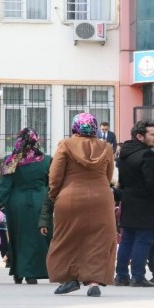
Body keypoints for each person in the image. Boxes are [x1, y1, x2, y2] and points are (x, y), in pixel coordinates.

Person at [45, 113, 117, 298]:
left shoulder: (66, 145)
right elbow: (109, 175)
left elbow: (55, 175)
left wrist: (54, 194)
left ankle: (69, 279)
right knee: (99, 240)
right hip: (101, 197)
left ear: (74, 127)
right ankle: (94, 282)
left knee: (67, 238)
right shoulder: (106, 147)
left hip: (70, 197)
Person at [114, 120, 154, 288]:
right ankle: (138, 276)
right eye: (152, 134)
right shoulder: (147, 155)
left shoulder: (124, 154)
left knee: (127, 239)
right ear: (139, 136)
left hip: (128, 201)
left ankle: (121, 276)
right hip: (146, 203)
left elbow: (121, 182)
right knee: (143, 240)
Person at [0, 127, 52, 285]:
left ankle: (19, 272)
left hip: (17, 202)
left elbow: (5, 185)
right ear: (36, 140)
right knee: (36, 236)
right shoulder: (46, 160)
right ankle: (33, 273)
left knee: (18, 236)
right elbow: (51, 183)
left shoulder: (12, 159)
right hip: (40, 200)